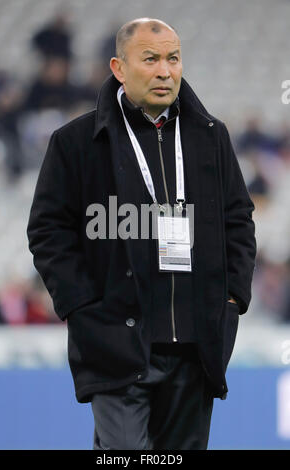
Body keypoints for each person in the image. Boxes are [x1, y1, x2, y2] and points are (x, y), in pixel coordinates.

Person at [27, 18, 257, 450]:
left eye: (173, 58)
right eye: (149, 59)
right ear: (118, 67)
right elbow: (47, 229)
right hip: (116, 340)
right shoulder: (75, 142)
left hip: (195, 347)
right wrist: (82, 305)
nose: (164, 71)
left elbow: (238, 220)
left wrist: (231, 301)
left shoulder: (211, 137)